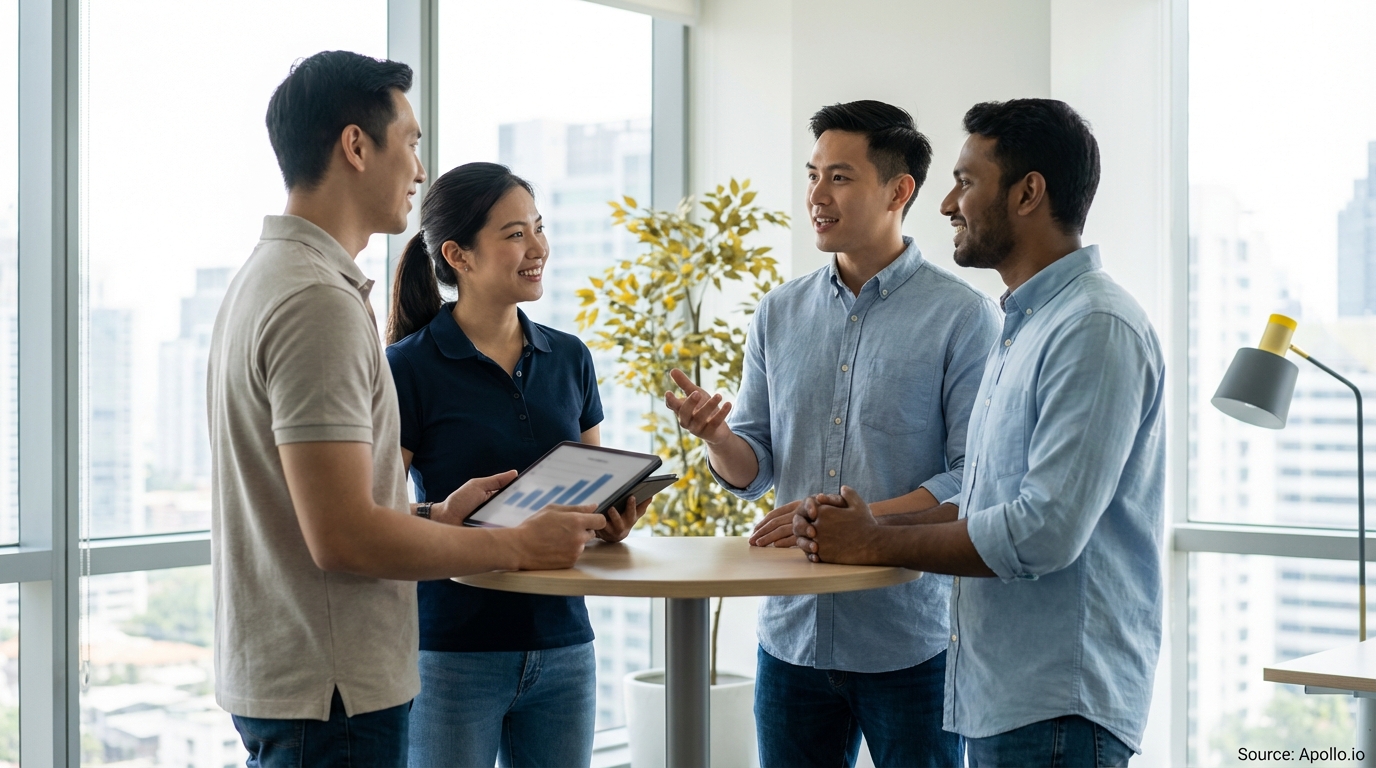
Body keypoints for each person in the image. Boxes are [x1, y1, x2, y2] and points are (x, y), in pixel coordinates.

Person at [208, 51, 606, 768]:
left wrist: (434, 517)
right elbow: (343, 537)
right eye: (412, 142)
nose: (420, 170)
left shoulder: (271, 278)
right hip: (334, 689)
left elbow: (328, 510)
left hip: (304, 680)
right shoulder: (317, 303)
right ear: (357, 146)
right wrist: (514, 544)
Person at [793, 99, 1164, 767]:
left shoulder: (1093, 327)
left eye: (966, 181)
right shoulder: (1025, 327)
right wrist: (867, 526)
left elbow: (1042, 531)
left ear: (1028, 193)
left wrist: (875, 539)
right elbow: (986, 498)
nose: (946, 205)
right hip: (1004, 701)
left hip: (1056, 711)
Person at [664, 100, 999, 767]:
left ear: (898, 190)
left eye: (839, 177)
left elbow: (972, 479)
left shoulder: (963, 317)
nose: (816, 195)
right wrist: (716, 437)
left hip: (911, 639)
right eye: (814, 174)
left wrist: (861, 522)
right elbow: (752, 469)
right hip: (791, 641)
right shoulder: (779, 312)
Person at [385, 161, 650, 768]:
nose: (538, 248)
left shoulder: (571, 357)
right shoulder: (407, 369)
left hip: (564, 644)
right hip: (453, 652)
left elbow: (592, 489)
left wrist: (611, 521)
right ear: (459, 255)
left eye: (538, 227)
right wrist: (438, 513)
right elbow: (378, 515)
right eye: (514, 234)